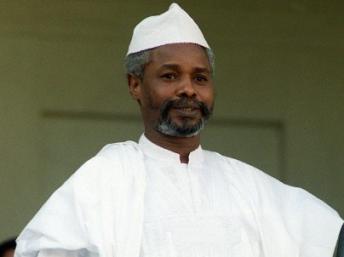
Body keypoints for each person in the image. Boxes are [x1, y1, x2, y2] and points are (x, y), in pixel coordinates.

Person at [15, 3, 343, 257]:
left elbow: (328, 238)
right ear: (135, 84)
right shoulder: (103, 180)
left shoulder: (252, 188)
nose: (188, 89)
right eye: (170, 76)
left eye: (200, 78)